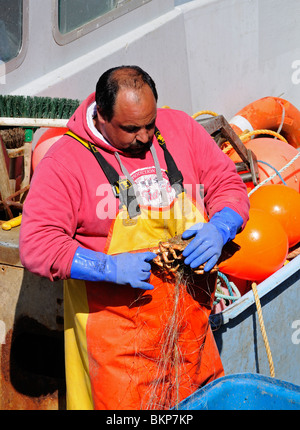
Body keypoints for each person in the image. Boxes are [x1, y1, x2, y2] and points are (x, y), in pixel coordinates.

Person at [20, 65, 250, 410]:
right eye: (130, 129)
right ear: (101, 116)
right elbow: (38, 244)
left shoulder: (180, 128)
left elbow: (228, 186)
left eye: (149, 125)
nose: (144, 137)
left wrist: (222, 226)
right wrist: (107, 267)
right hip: (119, 350)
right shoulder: (65, 162)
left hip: (191, 337)